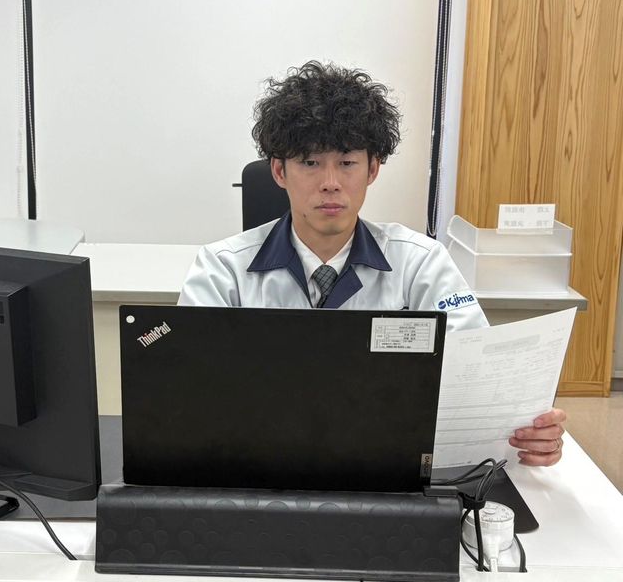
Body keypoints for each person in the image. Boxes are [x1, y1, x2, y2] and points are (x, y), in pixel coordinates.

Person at [179, 61, 566, 466]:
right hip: (258, 464)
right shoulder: (223, 269)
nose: (330, 183)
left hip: (387, 465)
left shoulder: (420, 263)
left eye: (347, 163)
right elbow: (186, 388)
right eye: (310, 162)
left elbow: (477, 374)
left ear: (373, 169)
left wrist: (527, 431)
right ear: (279, 171)